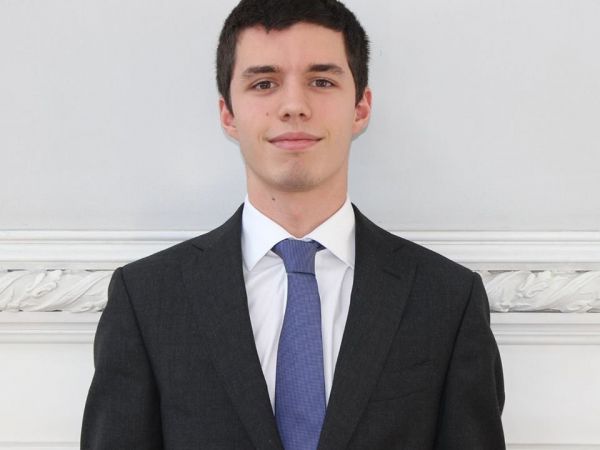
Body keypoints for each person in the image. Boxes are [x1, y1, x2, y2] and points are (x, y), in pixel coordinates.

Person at [81, 0, 505, 448]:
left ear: (361, 108)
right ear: (228, 114)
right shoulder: (147, 299)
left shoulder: (447, 298)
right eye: (264, 83)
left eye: (321, 81)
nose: (294, 106)